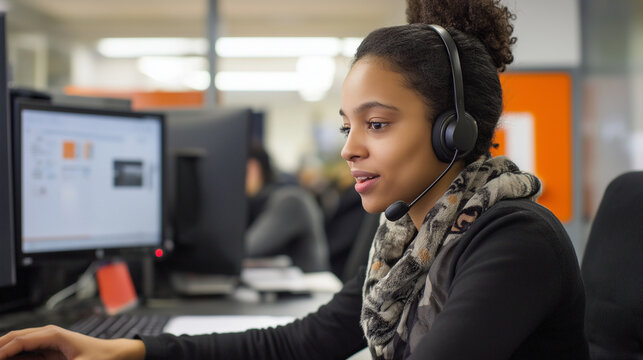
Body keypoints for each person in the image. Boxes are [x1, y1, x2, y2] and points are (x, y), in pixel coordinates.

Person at [0, 0, 590, 359]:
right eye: (347, 126)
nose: (350, 148)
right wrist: (123, 349)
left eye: (377, 124)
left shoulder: (513, 241)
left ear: (453, 133)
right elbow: (302, 344)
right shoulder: (406, 236)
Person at [244, 144, 330, 272]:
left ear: (253, 169)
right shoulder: (261, 203)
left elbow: (247, 248)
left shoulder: (290, 200)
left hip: (307, 289)